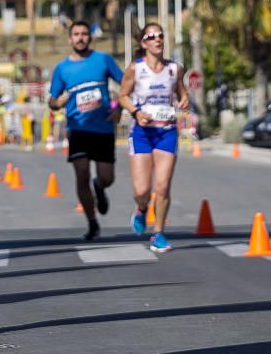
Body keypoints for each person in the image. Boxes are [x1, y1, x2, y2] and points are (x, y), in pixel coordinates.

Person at [48, 20, 123, 240]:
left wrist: (118, 108)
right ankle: (92, 223)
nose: (80, 38)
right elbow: (51, 101)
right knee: (81, 173)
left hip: (103, 128)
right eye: (76, 34)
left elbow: (126, 84)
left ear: (90, 37)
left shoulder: (103, 60)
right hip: (78, 128)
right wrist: (58, 102)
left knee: (107, 177)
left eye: (84, 34)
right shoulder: (62, 68)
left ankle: (99, 187)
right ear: (69, 39)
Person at [118, 23, 189, 253]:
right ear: (143, 43)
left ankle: (158, 233)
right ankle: (140, 209)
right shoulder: (135, 69)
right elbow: (122, 96)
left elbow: (181, 91)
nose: (157, 39)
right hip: (142, 133)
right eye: (152, 36)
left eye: (160, 35)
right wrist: (136, 112)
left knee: (163, 186)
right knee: (141, 191)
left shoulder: (174, 69)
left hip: (166, 131)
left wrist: (184, 99)